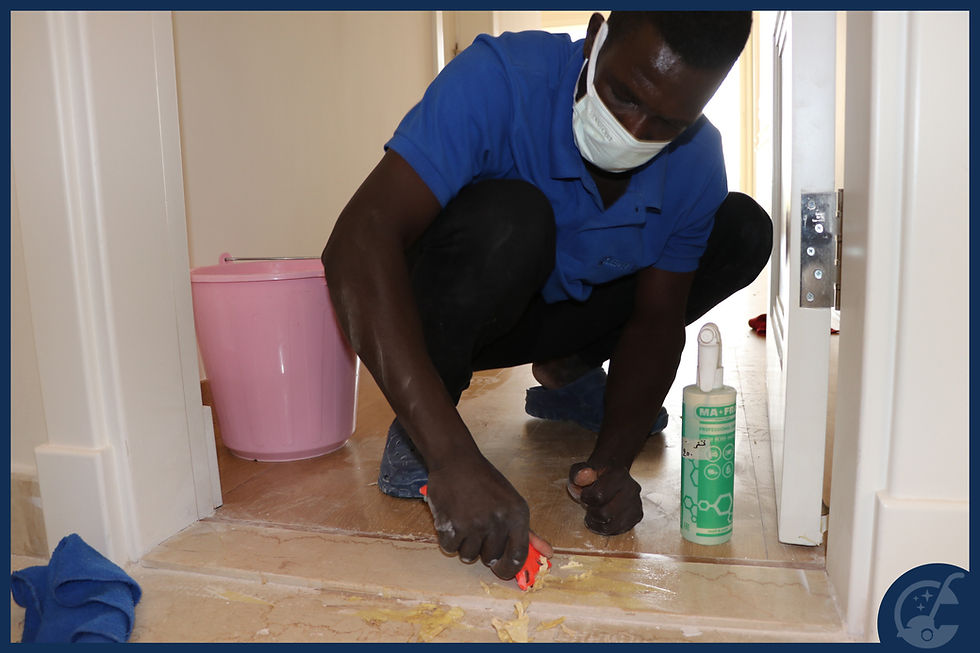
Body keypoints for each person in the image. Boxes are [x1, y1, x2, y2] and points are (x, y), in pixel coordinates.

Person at [321, 11, 771, 582]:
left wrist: (614, 462)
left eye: (667, 124)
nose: (634, 132)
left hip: (565, 312)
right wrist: (452, 455)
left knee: (742, 229)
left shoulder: (695, 158)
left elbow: (658, 321)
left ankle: (569, 373)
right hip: (463, 308)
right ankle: (420, 437)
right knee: (514, 218)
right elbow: (358, 240)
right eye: (624, 95)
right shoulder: (499, 80)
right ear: (594, 37)